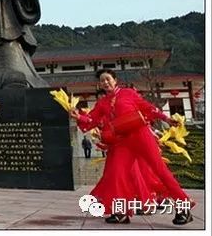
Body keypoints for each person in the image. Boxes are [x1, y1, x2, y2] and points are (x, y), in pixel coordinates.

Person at [70, 69, 193, 225]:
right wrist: (78, 116)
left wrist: (166, 119)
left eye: (108, 79)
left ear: (115, 80)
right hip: (121, 142)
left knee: (160, 170)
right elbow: (91, 120)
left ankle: (184, 208)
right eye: (102, 81)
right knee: (115, 173)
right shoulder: (102, 103)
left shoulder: (128, 93)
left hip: (140, 136)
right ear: (99, 84)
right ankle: (121, 213)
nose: (105, 82)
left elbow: (148, 108)